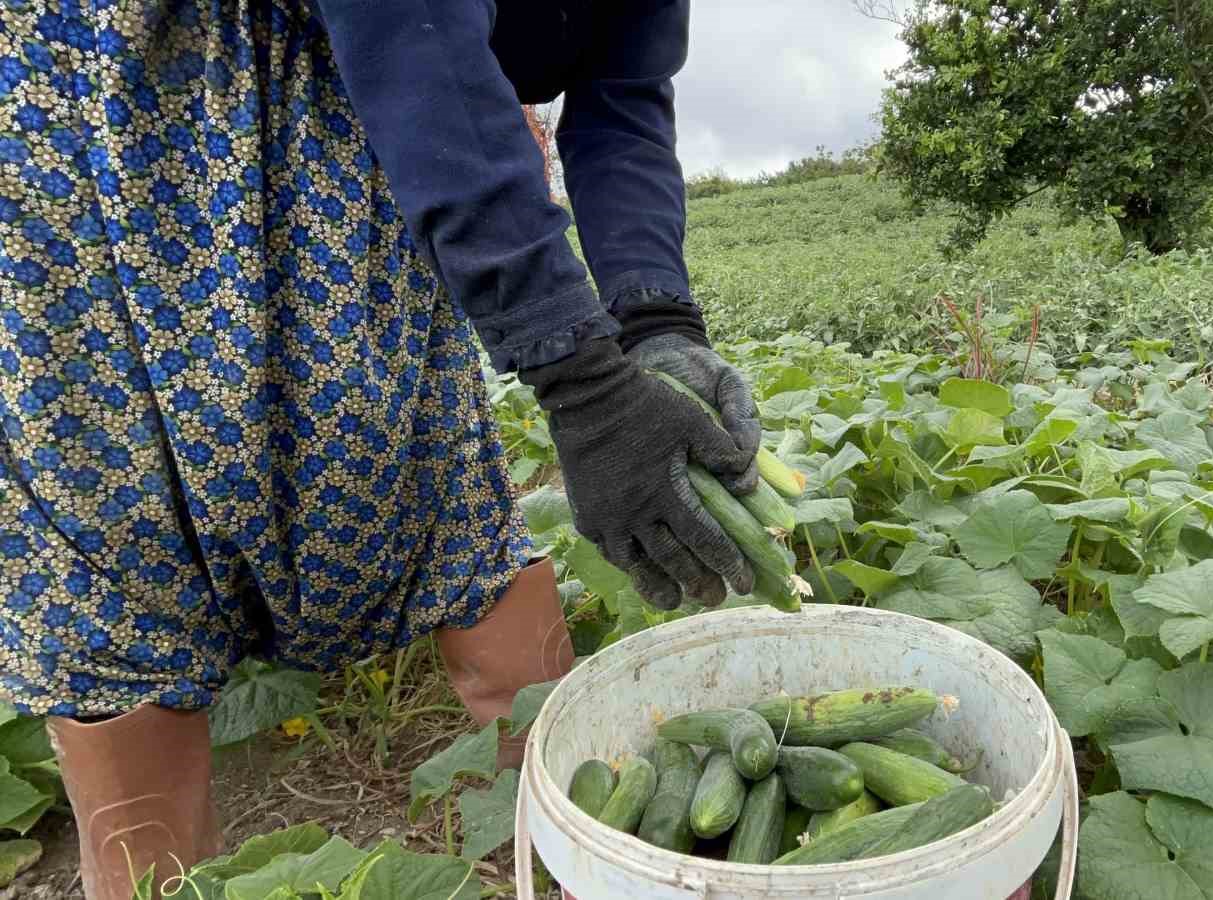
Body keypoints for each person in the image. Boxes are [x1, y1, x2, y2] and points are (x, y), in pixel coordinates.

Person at [0, 1, 759, 896]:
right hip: (130, 101)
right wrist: (582, 381)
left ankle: (562, 851)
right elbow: (410, 24)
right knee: (123, 521)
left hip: (371, 115)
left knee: (422, 458)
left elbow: (623, 91)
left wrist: (656, 317)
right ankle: (157, 878)